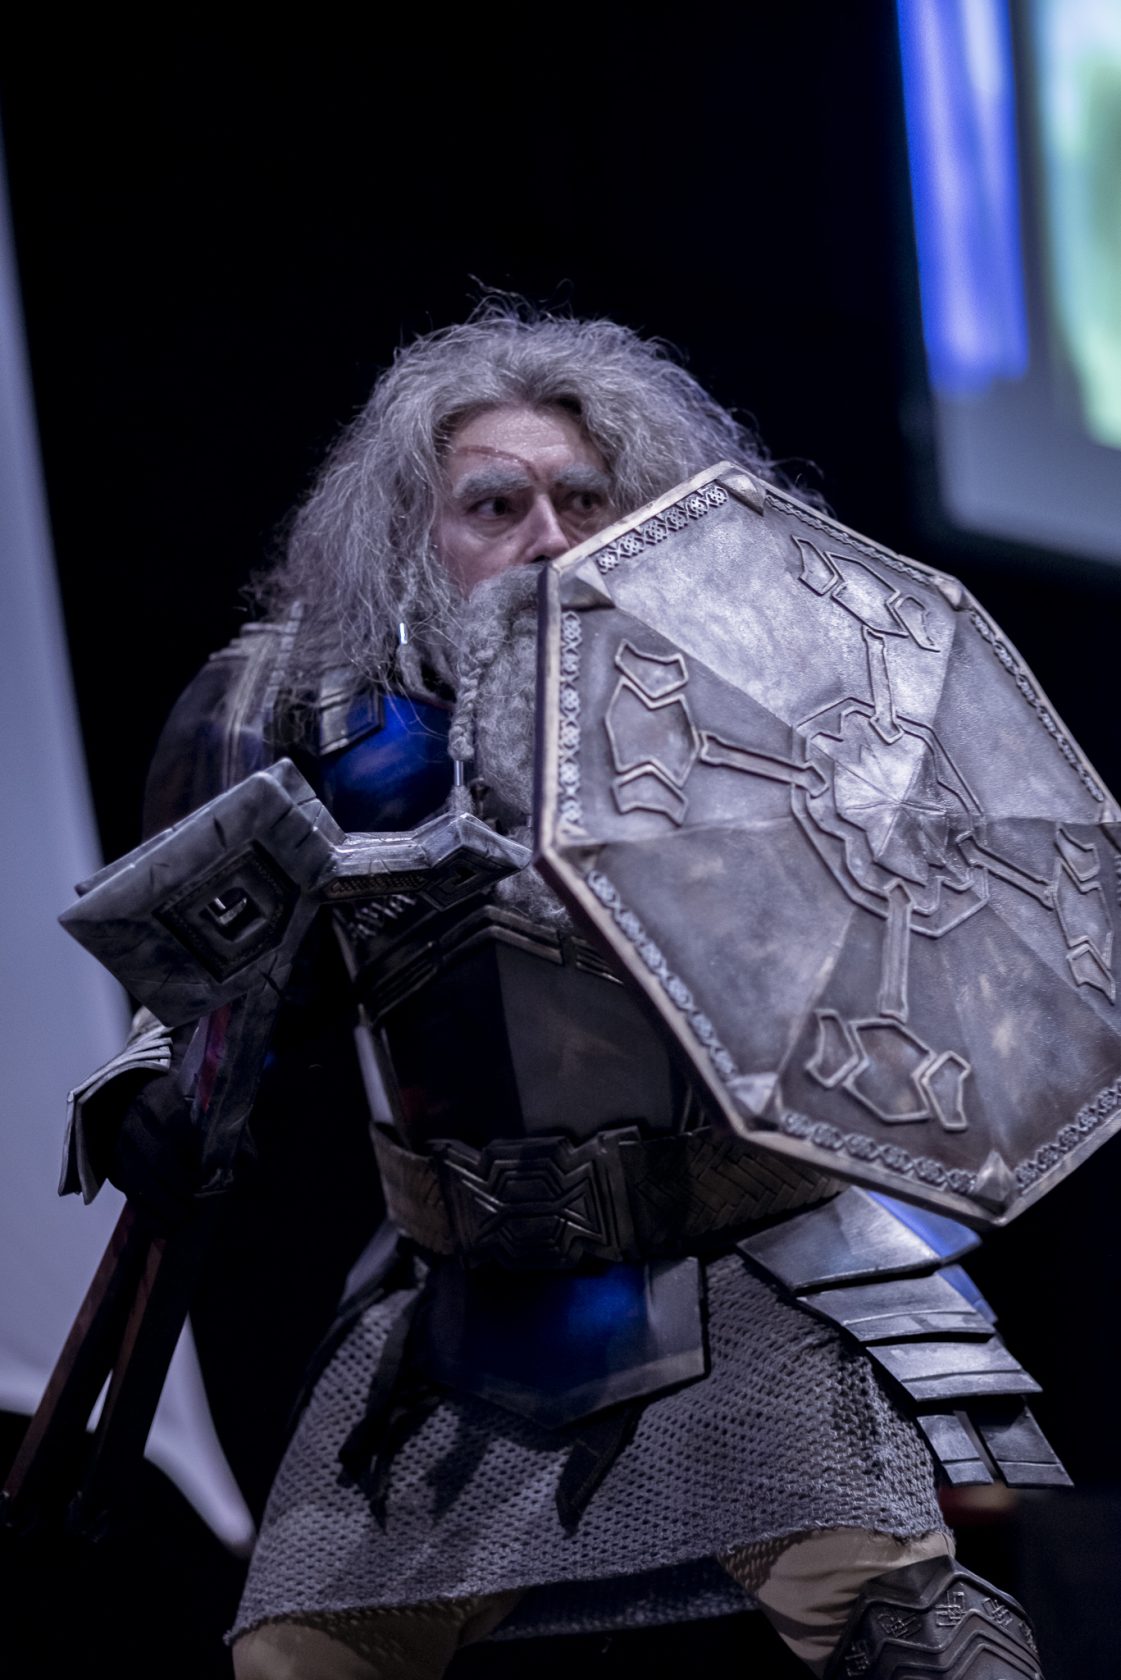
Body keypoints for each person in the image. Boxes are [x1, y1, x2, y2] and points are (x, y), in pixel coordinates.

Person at [65, 305, 1053, 1678]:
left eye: (584, 500)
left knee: (901, 1625)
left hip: (751, 1263)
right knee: (300, 1656)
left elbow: (923, 968)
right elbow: (217, 998)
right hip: (464, 1295)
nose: (546, 536)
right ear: (414, 534)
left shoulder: (780, 709)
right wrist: (153, 1096)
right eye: (496, 504)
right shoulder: (303, 726)